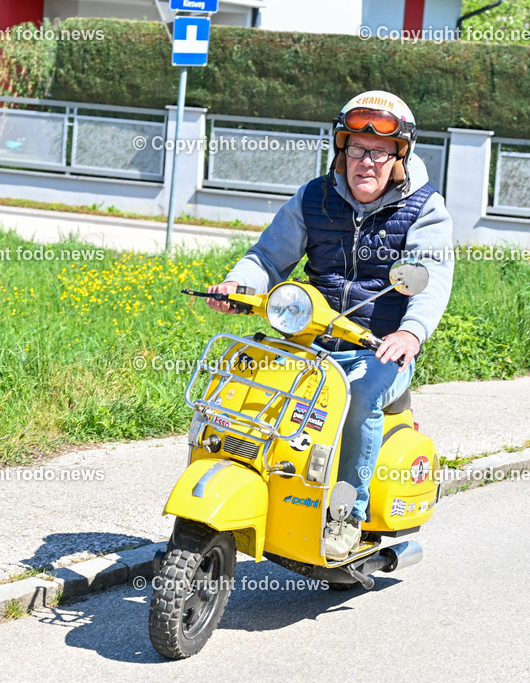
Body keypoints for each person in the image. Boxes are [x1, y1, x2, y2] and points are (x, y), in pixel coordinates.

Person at [206, 91, 454, 560]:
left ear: (399, 156)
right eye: (356, 148)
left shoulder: (425, 208)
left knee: (359, 398)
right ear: (341, 151)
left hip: (379, 350)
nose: (366, 161)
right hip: (310, 341)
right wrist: (237, 284)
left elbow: (432, 277)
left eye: (379, 152)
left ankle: (347, 517)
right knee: (245, 379)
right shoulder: (313, 197)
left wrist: (410, 332)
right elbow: (267, 257)